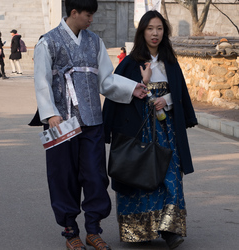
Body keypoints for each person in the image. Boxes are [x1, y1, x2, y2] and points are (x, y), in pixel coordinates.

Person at [31, 0, 147, 249]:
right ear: (74, 12)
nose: (91, 19)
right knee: (64, 177)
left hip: (92, 121)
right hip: (60, 123)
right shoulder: (47, 41)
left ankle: (93, 229)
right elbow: (41, 80)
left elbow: (106, 79)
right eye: (88, 14)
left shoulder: (94, 41)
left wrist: (132, 87)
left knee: (95, 176)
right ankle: (70, 231)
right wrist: (50, 113)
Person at [103, 10, 198, 249]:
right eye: (150, 29)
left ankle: (169, 230)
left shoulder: (171, 63)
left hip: (167, 131)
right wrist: (142, 84)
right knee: (140, 177)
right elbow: (114, 93)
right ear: (142, 31)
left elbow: (181, 96)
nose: (155, 34)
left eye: (159, 28)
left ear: (164, 32)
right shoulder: (130, 63)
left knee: (171, 176)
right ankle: (140, 229)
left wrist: (166, 100)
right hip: (138, 130)